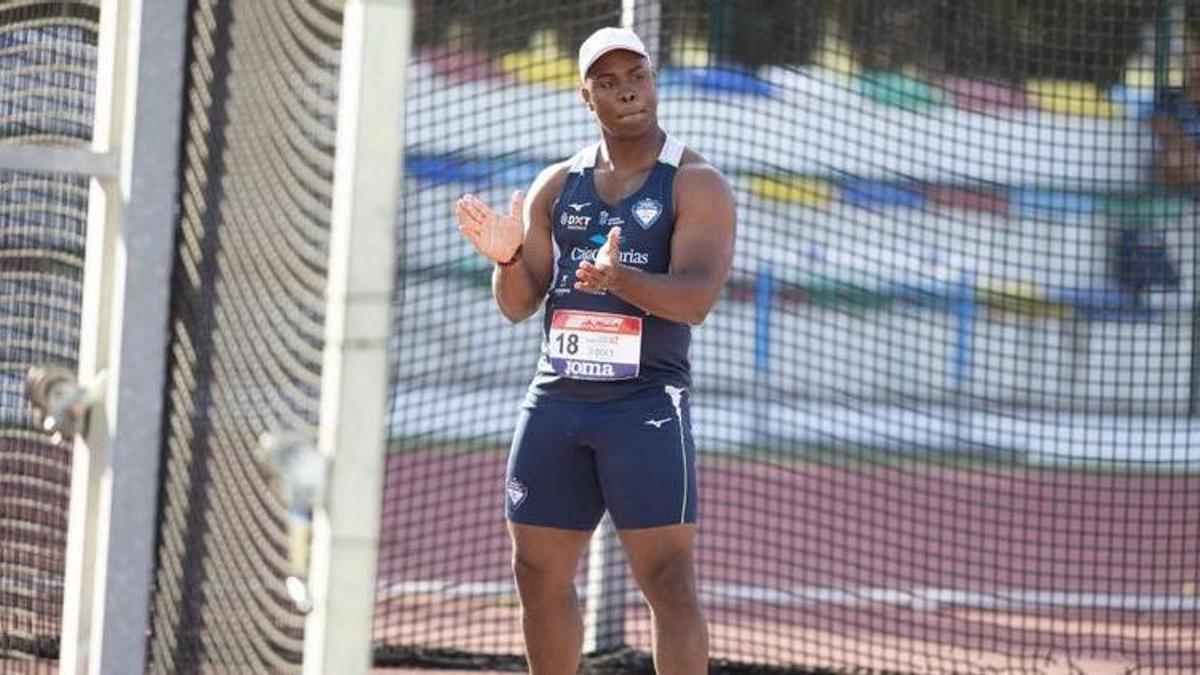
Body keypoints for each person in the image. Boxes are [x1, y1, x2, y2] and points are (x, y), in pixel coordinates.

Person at [455, 26, 736, 675]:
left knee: (667, 580)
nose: (626, 92)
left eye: (635, 76)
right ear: (587, 97)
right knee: (535, 573)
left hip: (643, 406)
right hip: (558, 400)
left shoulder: (695, 184)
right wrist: (505, 256)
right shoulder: (559, 185)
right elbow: (518, 301)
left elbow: (696, 298)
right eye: (607, 82)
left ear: (653, 81)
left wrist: (621, 280)